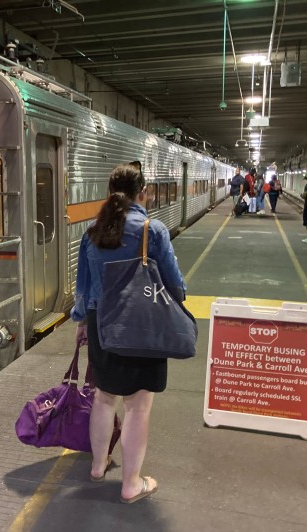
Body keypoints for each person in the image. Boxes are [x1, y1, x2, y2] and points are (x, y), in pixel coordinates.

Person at [71, 163, 186, 504]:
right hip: (140, 325)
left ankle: (97, 465)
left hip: (100, 323)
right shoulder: (153, 229)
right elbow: (175, 284)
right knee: (139, 405)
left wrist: (82, 322)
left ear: (110, 192)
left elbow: (83, 288)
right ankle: (131, 483)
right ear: (143, 193)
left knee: (104, 398)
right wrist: (179, 299)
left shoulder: (92, 231)